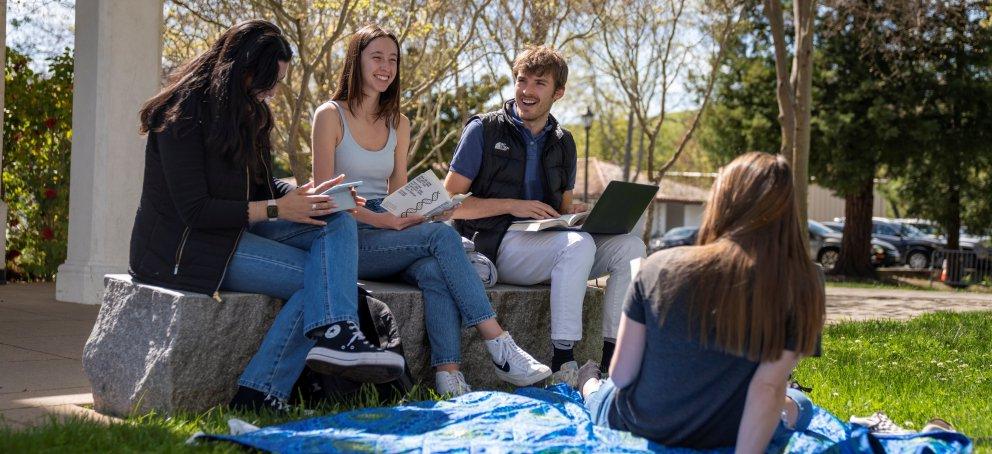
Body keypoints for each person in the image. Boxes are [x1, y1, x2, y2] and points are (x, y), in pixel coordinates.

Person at [129, 20, 404, 413]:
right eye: (268, 82)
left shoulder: (248, 112)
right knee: (323, 285)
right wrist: (278, 209)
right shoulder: (181, 114)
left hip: (240, 231)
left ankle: (333, 336)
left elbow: (263, 185)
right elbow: (195, 210)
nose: (273, 93)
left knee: (338, 215)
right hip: (188, 248)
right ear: (241, 70)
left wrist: (308, 196)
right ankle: (263, 390)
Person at [310, 24, 551, 396]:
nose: (386, 66)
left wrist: (424, 209)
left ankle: (448, 377)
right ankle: (498, 342)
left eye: (393, 59)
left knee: (436, 269)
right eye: (377, 57)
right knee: (441, 238)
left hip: (388, 226)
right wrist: (382, 220)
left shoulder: (398, 122)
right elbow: (327, 200)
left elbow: (399, 192)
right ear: (355, 61)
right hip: (346, 233)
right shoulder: (329, 115)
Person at [577, 152, 825, 452]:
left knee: (602, 389)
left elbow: (622, 375)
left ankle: (587, 381)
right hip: (727, 429)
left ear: (722, 201)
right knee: (798, 402)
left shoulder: (659, 266)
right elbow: (767, 388)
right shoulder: (804, 282)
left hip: (642, 423)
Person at [443, 46, 646, 385]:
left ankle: (611, 365)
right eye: (522, 80)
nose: (527, 91)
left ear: (558, 93)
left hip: (548, 243)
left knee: (631, 248)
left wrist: (580, 213)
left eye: (539, 83)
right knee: (576, 246)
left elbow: (564, 206)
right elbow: (448, 202)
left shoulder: (564, 142)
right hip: (493, 245)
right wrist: (511, 205)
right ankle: (563, 363)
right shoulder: (483, 130)